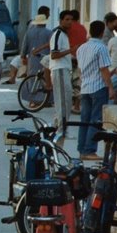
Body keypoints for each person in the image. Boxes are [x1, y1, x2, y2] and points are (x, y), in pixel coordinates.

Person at [75, 20, 117, 160]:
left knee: (84, 120)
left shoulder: (82, 48)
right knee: (96, 120)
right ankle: (89, 150)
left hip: (86, 87)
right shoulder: (101, 48)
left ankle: (82, 149)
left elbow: (81, 70)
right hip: (98, 87)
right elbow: (104, 69)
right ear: (101, 32)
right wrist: (111, 88)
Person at [49, 10, 76, 145]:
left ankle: (57, 126)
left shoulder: (64, 35)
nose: (69, 22)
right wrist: (70, 51)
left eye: (71, 19)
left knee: (67, 100)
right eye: (67, 19)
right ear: (60, 20)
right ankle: (62, 129)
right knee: (63, 101)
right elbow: (54, 54)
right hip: (59, 70)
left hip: (64, 69)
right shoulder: (58, 34)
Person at [20, 12, 52, 78]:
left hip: (32, 58)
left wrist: (23, 57)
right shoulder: (49, 33)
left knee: (32, 77)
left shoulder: (29, 32)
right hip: (45, 58)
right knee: (45, 77)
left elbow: (24, 45)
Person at [68, 9, 88, 114]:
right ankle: (76, 106)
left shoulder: (68, 28)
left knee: (67, 82)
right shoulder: (83, 28)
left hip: (68, 56)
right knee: (78, 82)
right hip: (79, 57)